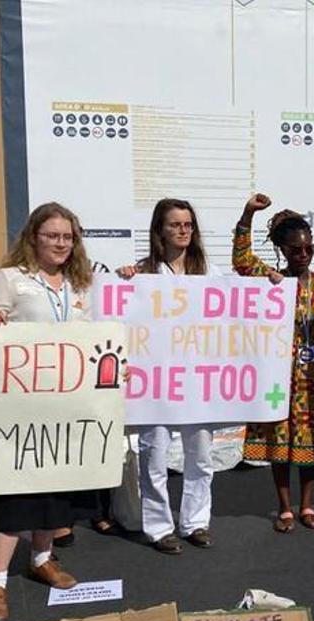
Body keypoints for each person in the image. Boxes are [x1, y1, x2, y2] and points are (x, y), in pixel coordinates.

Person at [0, 202, 95, 621]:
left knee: (55, 489)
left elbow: (95, 338)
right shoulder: (11, 279)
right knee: (14, 494)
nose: (61, 243)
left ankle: (42, 557)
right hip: (19, 407)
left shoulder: (81, 284)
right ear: (34, 237)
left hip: (64, 406)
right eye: (52, 235)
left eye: (67, 236)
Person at [116, 199, 220, 552]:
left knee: (201, 454)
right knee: (155, 454)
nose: (183, 230)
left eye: (188, 224)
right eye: (175, 224)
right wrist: (125, 281)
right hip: (157, 379)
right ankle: (159, 527)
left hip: (196, 377)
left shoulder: (207, 269)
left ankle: (195, 522)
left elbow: (234, 308)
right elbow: (125, 312)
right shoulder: (144, 272)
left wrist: (271, 286)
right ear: (160, 229)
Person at [233, 193, 314, 532]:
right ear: (283, 251)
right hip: (278, 377)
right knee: (280, 442)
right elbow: (242, 259)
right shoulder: (272, 283)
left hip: (313, 379)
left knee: (310, 444)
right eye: (295, 250)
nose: (303, 255)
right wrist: (248, 214)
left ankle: (307, 506)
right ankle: (285, 508)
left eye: (308, 249)